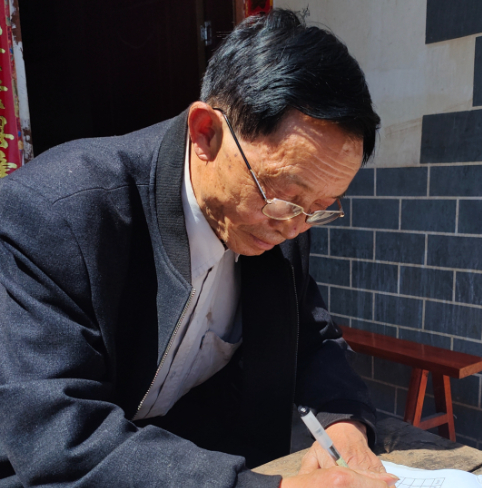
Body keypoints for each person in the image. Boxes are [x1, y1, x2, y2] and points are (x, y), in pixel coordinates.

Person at [0, 9, 398, 488]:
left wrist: (345, 424)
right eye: (284, 196)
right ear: (206, 132)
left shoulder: (282, 219)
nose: (294, 227)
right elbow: (60, 436)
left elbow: (311, 337)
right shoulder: (56, 214)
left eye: (320, 208)